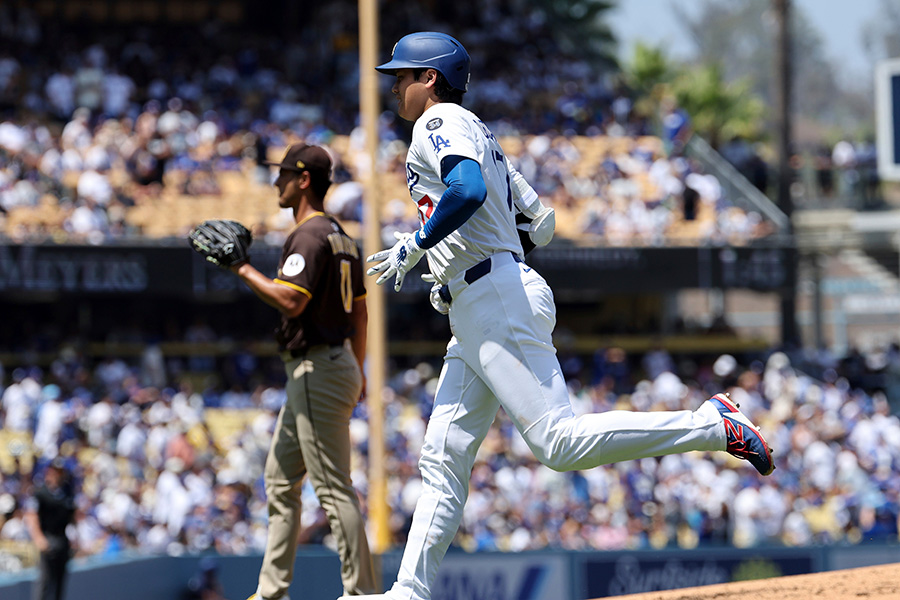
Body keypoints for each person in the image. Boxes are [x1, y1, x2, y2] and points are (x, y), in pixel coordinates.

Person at [343, 32, 775, 600]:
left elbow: (467, 191)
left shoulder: (439, 119)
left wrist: (421, 244)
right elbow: (537, 220)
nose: (394, 85)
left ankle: (712, 425)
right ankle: (409, 592)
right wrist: (459, 268)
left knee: (559, 443)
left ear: (431, 79)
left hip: (495, 298)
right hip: (482, 301)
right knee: (442, 459)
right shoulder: (475, 130)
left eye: (403, 75)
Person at [231, 143, 376, 599]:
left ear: (304, 180)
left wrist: (241, 268)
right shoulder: (341, 236)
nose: (277, 182)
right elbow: (361, 314)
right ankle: (271, 591)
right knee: (280, 480)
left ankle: (362, 593)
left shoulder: (309, 235)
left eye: (283, 175)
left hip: (318, 367)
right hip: (331, 365)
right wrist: (358, 368)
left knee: (332, 489)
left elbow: (292, 300)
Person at [24, 457, 76, 600]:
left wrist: (74, 538)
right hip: (48, 538)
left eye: (60, 472)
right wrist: (39, 538)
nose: (57, 475)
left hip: (62, 539)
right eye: (55, 471)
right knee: (45, 582)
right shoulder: (40, 493)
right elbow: (32, 516)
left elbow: (72, 517)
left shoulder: (66, 492)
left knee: (60, 582)